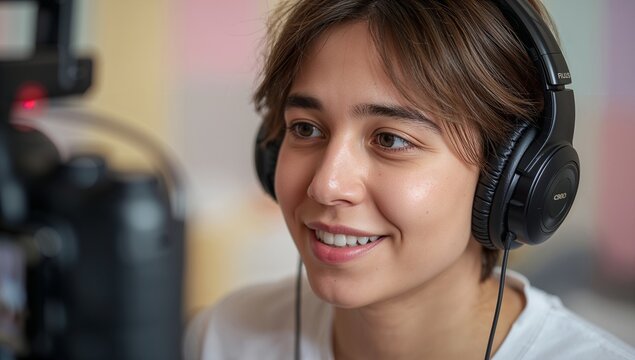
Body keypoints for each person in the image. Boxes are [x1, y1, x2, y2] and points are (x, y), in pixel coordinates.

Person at [184, 0, 635, 359]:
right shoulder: (223, 339)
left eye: (391, 140)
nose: (326, 185)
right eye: (305, 128)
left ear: (510, 178)